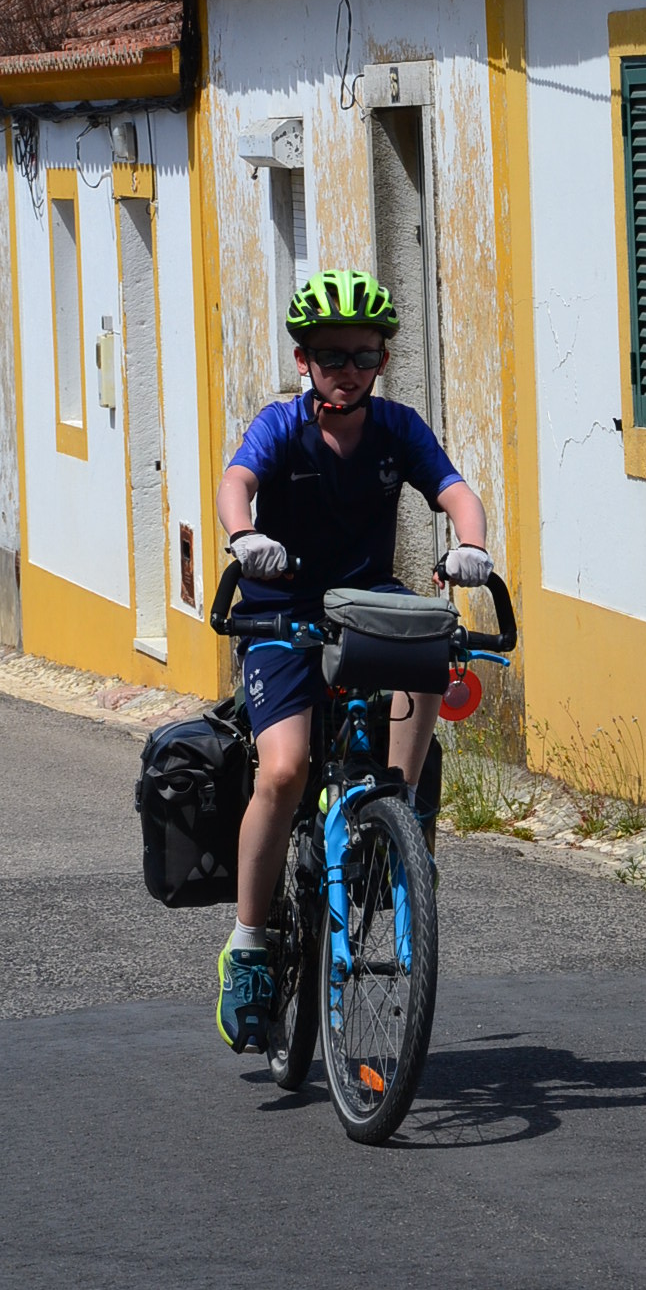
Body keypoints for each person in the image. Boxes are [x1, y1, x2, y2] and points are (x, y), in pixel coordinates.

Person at [213, 266, 492, 1054]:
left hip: (365, 603)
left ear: (382, 361)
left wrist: (471, 544)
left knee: (429, 640)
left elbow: (455, 491)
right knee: (284, 771)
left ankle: (398, 816)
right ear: (304, 360)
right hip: (282, 611)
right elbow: (238, 482)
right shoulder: (281, 425)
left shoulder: (398, 428)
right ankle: (249, 945)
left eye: (363, 356)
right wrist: (245, 536)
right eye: (330, 356)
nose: (347, 370)